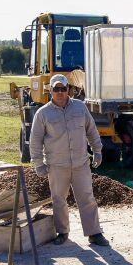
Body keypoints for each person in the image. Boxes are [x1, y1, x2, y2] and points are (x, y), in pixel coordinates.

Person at [30, 74, 109, 247]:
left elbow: (91, 130)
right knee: (58, 199)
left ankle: (94, 233)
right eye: (56, 89)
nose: (59, 92)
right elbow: (35, 141)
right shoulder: (42, 114)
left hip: (81, 163)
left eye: (63, 89)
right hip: (57, 166)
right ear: (50, 90)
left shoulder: (80, 108)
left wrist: (97, 151)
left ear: (69, 90)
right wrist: (38, 163)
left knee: (87, 198)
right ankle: (62, 232)